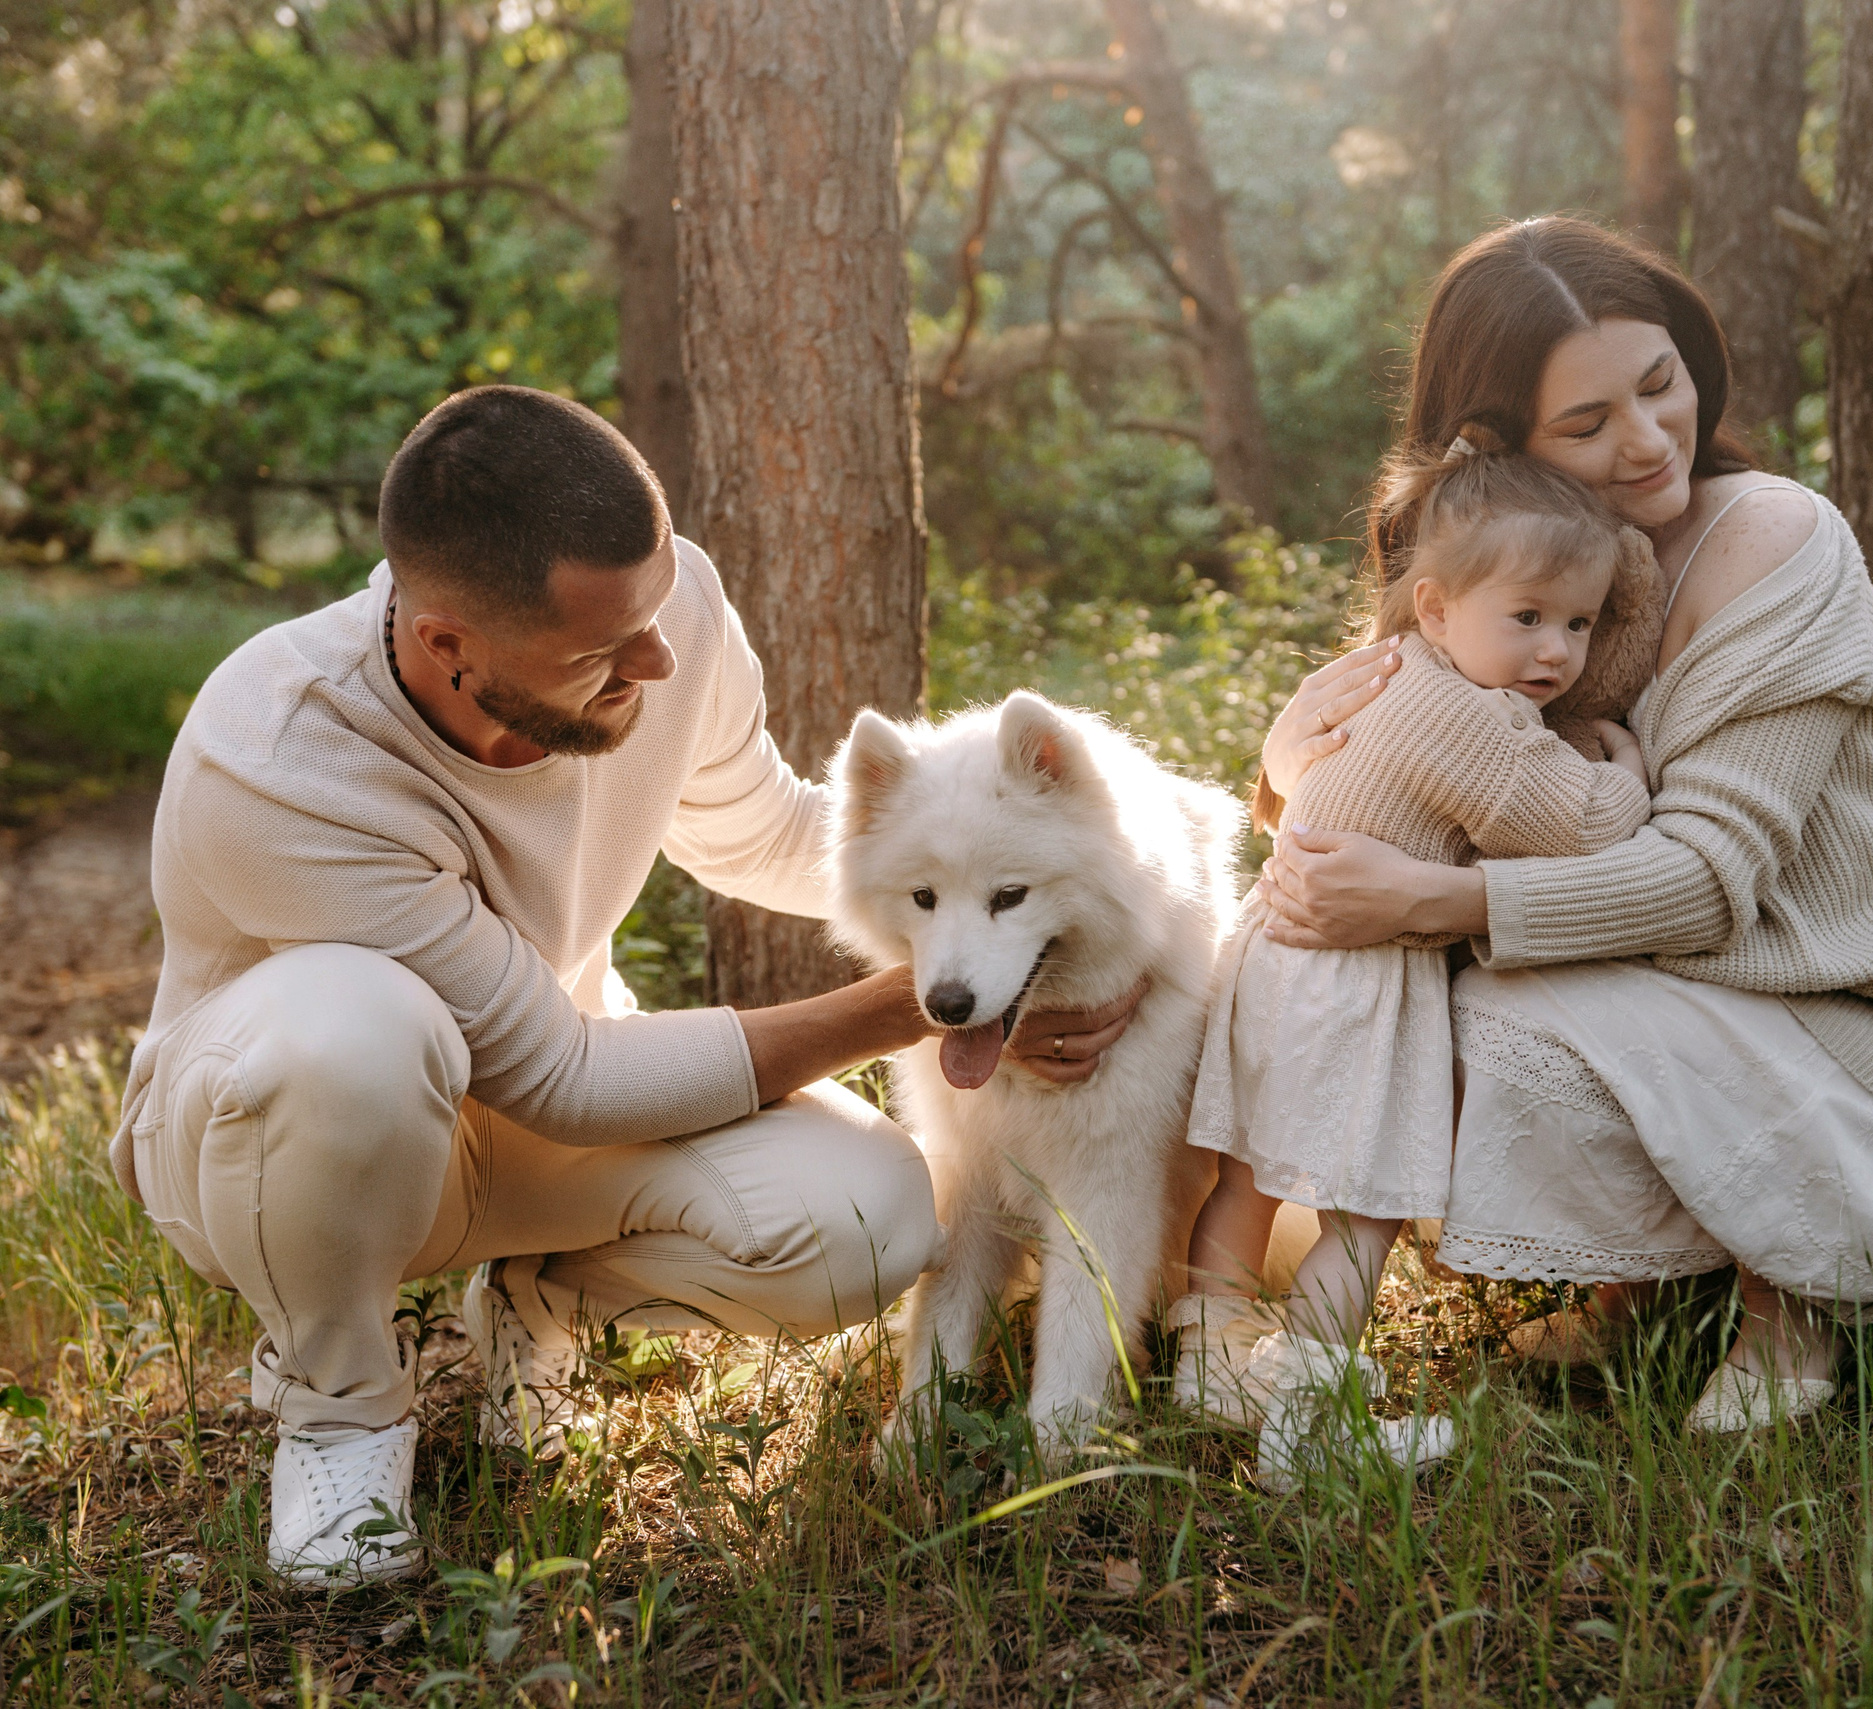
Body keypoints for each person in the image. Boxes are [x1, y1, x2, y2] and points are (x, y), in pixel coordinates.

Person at [112, 386, 1139, 1583]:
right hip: (275, 1140)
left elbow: (766, 832)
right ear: (450, 643)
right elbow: (565, 1074)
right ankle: (340, 1404)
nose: (658, 661)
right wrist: (934, 1001)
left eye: (659, 611)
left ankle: (534, 1300)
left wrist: (1006, 890)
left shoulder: (667, 608)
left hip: (532, 1116)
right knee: (357, 1029)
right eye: (605, 650)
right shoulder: (285, 756)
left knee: (870, 1219)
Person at [1230, 217, 1873, 1435]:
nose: (1648, 438)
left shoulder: (1776, 536)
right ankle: (1659, 1277)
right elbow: (1404, 771)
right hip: (1684, 986)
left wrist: (1433, 904)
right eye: (1586, 423)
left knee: (1488, 1019)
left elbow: (1707, 882)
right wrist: (1285, 759)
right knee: (1387, 1012)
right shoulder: (1525, 567)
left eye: (1659, 385)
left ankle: (1813, 1294)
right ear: (1498, 446)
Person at [1169, 425, 1662, 1485]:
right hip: (1355, 977)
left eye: (1578, 624)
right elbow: (1581, 823)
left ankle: (1207, 1363)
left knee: (1250, 1167)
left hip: (1271, 957)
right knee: (1369, 1200)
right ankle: (1311, 1417)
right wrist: (1620, 758)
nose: (1556, 654)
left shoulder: (1382, 669)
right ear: (1436, 606)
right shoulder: (1469, 720)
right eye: (1526, 617)